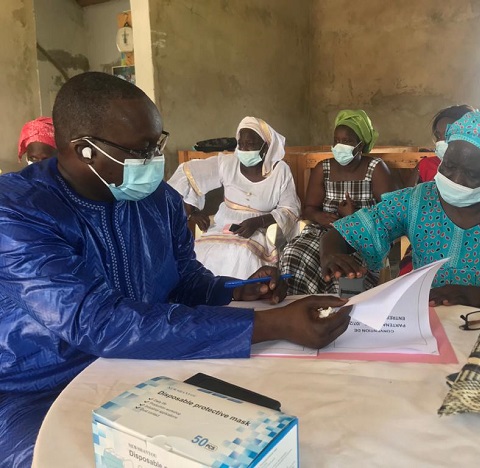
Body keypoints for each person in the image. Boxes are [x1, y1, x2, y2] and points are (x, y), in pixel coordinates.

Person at [0, 72, 350, 467]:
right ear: (85, 151)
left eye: (157, 143)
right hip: (37, 388)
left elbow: (184, 277)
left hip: (145, 362)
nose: (155, 160)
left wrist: (232, 291)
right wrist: (271, 325)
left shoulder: (157, 199)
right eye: (142, 150)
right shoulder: (19, 212)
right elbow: (97, 323)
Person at [320, 109, 480, 339]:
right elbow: (347, 231)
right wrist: (332, 253)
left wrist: (473, 296)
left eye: (472, 174)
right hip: (428, 331)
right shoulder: (419, 200)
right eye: (448, 166)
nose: (455, 179)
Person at [279, 109, 397, 294]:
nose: (340, 146)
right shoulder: (323, 169)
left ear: (361, 144)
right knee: (293, 254)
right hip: (323, 231)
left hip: (364, 236)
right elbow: (309, 209)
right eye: (337, 140)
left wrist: (353, 217)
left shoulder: (375, 168)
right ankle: (303, 307)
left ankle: (346, 314)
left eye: (347, 141)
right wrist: (321, 217)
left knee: (345, 268)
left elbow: (390, 215)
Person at [168, 117, 300, 278]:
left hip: (261, 229)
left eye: (250, 144)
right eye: (241, 143)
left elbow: (290, 209)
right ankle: (208, 298)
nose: (244, 149)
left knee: (241, 253)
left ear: (265, 146)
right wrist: (191, 211)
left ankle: (241, 296)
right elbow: (187, 173)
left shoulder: (280, 170)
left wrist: (257, 222)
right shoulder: (227, 163)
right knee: (200, 251)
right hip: (224, 225)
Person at [400, 104, 476, 275]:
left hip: (475, 246)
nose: (442, 142)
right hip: (429, 242)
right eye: (438, 136)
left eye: (448, 135)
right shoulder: (427, 166)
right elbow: (403, 209)